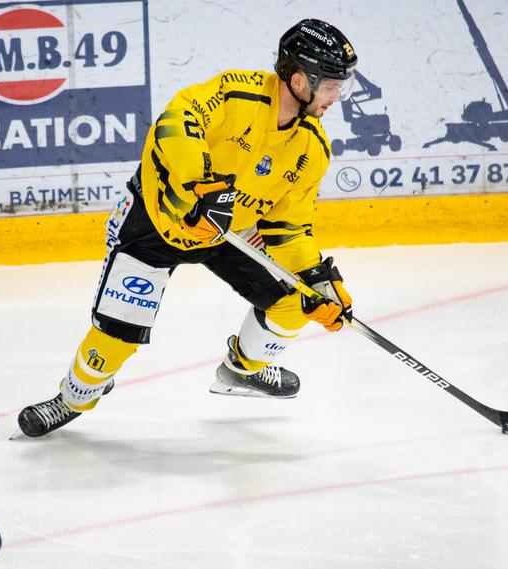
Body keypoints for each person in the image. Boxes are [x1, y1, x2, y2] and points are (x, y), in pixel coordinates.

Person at [18, 18, 358, 437]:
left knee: (296, 302)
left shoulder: (313, 148)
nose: (336, 97)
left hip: (226, 232)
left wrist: (315, 278)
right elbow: (175, 121)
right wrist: (200, 184)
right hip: (156, 225)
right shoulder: (237, 92)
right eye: (331, 86)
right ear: (301, 80)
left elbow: (288, 228)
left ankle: (243, 369)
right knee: (115, 339)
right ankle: (72, 398)